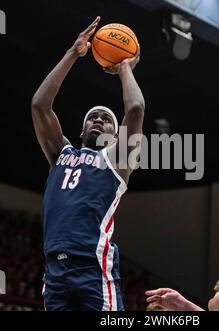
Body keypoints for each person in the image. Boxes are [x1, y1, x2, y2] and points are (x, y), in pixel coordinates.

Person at [31, 16, 145, 311]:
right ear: (81, 132)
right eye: (92, 117)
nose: (98, 120)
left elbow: (135, 108)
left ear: (114, 134)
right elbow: (40, 105)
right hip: (54, 271)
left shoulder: (117, 161)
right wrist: (73, 53)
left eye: (106, 119)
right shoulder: (61, 153)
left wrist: (124, 68)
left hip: (93, 269)